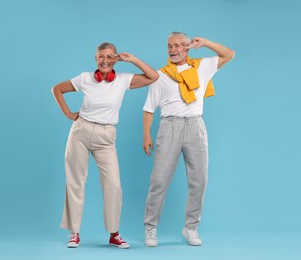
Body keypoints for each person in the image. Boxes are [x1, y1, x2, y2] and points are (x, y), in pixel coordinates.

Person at [52, 42, 158, 249]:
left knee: (114, 186)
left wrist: (133, 59)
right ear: (95, 58)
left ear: (116, 59)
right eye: (101, 56)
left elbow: (153, 77)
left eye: (110, 56)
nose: (105, 60)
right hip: (80, 132)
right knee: (75, 182)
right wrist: (68, 114)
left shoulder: (123, 80)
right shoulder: (84, 78)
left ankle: (114, 233)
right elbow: (57, 89)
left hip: (106, 136)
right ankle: (74, 233)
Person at [142, 32, 235, 247]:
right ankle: (150, 228)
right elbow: (149, 108)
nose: (172, 50)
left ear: (187, 47)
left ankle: (191, 227)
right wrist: (146, 134)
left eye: (177, 45)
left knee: (199, 180)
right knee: (159, 180)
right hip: (169, 125)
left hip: (195, 125)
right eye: (169, 46)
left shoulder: (201, 66)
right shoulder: (160, 75)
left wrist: (205, 43)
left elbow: (229, 54)